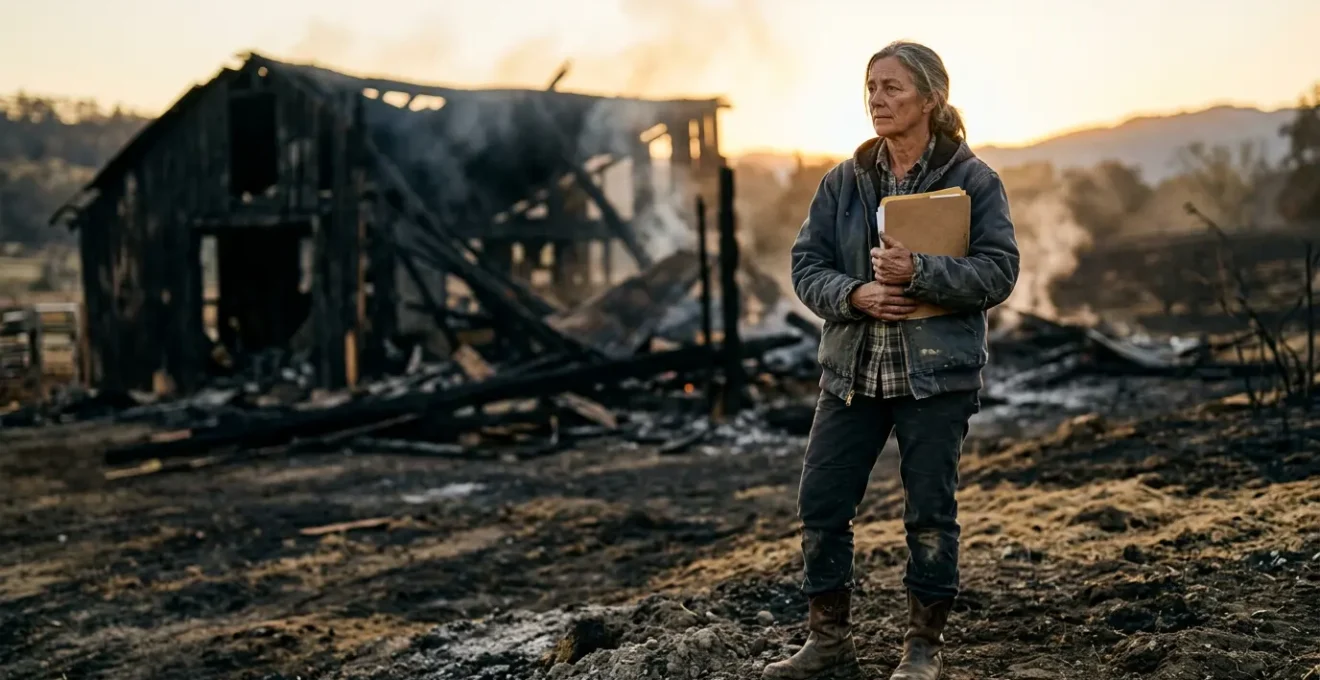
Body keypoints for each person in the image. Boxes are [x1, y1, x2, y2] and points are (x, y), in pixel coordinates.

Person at [762, 40, 1020, 680]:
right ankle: (829, 645)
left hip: (934, 379)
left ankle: (922, 649)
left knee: (929, 512)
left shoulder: (974, 181)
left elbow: (1000, 271)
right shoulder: (842, 181)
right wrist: (855, 294)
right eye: (871, 87)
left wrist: (920, 272)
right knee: (822, 503)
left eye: (892, 88)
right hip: (851, 375)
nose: (877, 99)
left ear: (932, 98)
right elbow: (805, 266)